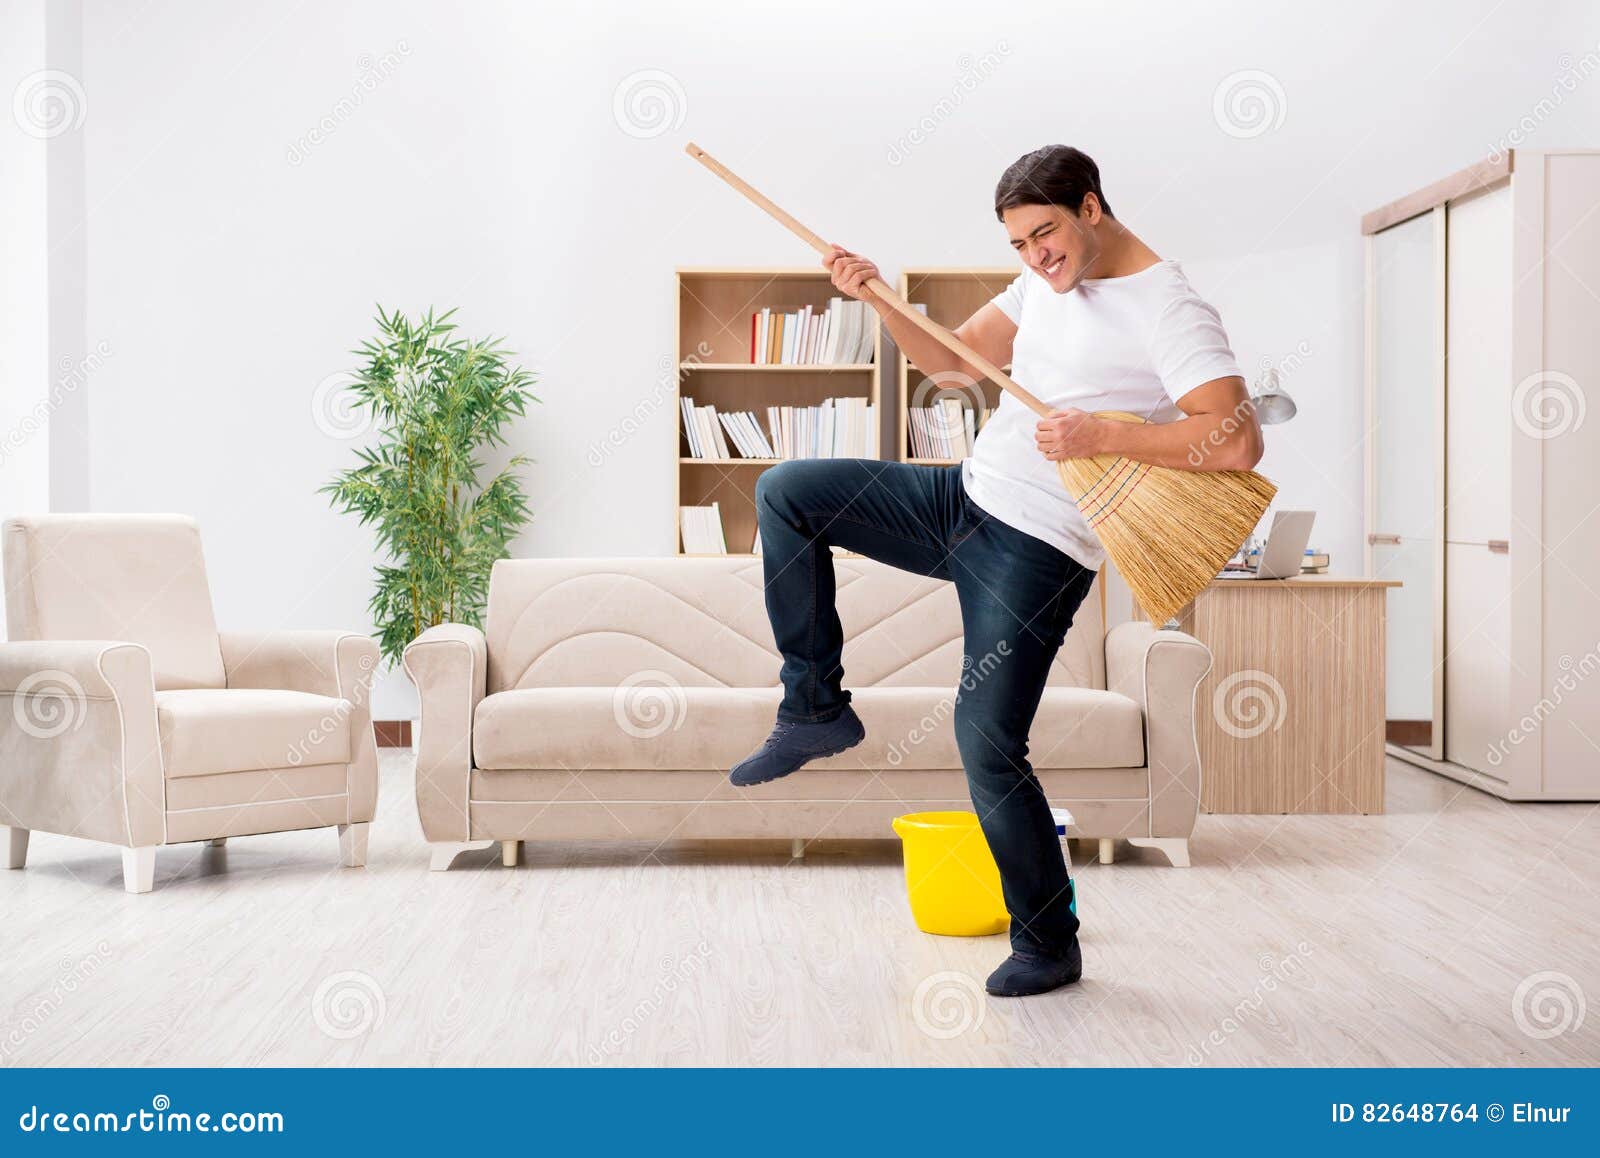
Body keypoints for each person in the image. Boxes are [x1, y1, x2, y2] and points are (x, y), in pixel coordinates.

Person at [729, 145, 1263, 996]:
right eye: (1018, 243)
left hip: (1038, 548)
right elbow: (949, 364)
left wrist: (1102, 433)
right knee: (787, 491)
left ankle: (1049, 942)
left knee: (984, 738)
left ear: (1091, 207)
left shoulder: (1169, 305)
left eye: (1045, 234)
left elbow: (1235, 439)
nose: (1035, 256)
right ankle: (815, 709)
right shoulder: (1041, 284)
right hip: (963, 499)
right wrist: (878, 299)